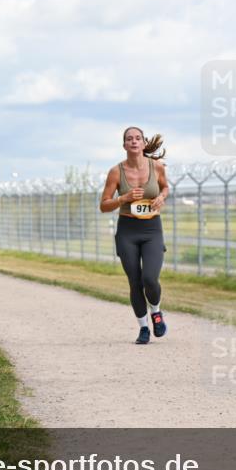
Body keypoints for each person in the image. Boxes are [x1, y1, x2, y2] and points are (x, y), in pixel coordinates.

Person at [99, 127, 171, 344]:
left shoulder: (156, 167)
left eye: (138, 138)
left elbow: (165, 188)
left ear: (143, 143)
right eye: (129, 139)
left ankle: (156, 312)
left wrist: (161, 198)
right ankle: (143, 328)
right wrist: (124, 198)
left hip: (152, 229)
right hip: (127, 231)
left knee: (150, 278)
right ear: (124, 145)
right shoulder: (116, 172)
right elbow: (104, 205)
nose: (133, 141)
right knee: (135, 282)